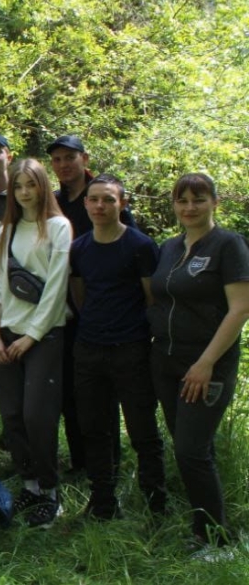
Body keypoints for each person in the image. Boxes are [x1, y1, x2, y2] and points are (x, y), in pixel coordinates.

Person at [148, 173, 249, 549]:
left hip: (206, 363)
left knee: (191, 450)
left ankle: (216, 538)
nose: (189, 207)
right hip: (166, 361)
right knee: (188, 448)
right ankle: (204, 525)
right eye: (182, 200)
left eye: (198, 199)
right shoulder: (170, 247)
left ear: (215, 203)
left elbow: (240, 309)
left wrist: (206, 363)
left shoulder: (228, 245)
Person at [69, 174, 165, 519]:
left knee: (142, 430)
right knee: (95, 429)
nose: (100, 206)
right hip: (89, 348)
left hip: (131, 348)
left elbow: (151, 298)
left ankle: (156, 504)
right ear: (85, 203)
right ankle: (103, 503)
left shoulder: (140, 246)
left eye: (108, 200)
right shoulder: (79, 248)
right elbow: (80, 296)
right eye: (94, 199)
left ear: (122, 204)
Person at [0, 158, 72, 529]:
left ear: (43, 187)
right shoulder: (6, 231)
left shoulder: (58, 228)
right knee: (13, 416)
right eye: (18, 186)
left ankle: (51, 493)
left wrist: (31, 336)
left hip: (44, 337)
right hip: (4, 336)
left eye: (30, 185)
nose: (24, 192)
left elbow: (56, 287)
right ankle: (30, 485)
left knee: (38, 415)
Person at [49, 135, 134, 475]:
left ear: (84, 159)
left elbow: (129, 248)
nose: (63, 165)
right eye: (56, 159)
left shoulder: (103, 197)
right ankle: (82, 460)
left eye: (69, 158)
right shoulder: (54, 201)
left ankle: (111, 459)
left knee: (105, 393)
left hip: (107, 311)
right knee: (72, 390)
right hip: (63, 309)